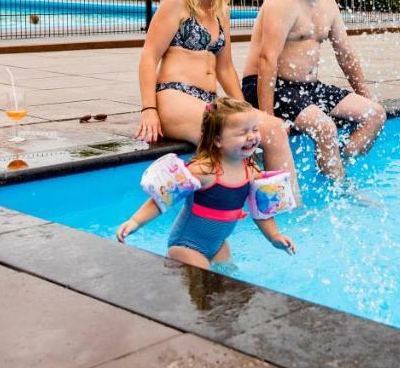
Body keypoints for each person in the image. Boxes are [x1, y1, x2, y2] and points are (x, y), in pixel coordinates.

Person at [133, 0, 299, 200]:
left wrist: (246, 109)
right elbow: (149, 57)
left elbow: (225, 68)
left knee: (274, 128)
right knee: (234, 135)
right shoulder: (177, 2)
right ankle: (183, 192)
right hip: (174, 96)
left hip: (209, 102)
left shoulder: (221, 10)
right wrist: (148, 109)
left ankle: (286, 209)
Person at [240, 0, 385, 180]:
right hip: (271, 85)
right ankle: (341, 188)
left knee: (375, 114)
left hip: (308, 88)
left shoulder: (328, 4)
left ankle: (335, 166)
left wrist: (365, 96)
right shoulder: (282, 0)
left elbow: (345, 54)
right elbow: (267, 59)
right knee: (325, 127)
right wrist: (267, 121)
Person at [116, 97, 297, 268]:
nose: (252, 137)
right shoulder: (203, 170)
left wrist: (274, 236)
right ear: (217, 140)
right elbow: (162, 199)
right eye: (243, 132)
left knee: (231, 285)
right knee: (205, 289)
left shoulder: (251, 171)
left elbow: (261, 212)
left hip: (218, 245)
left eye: (255, 129)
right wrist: (135, 222)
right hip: (186, 246)